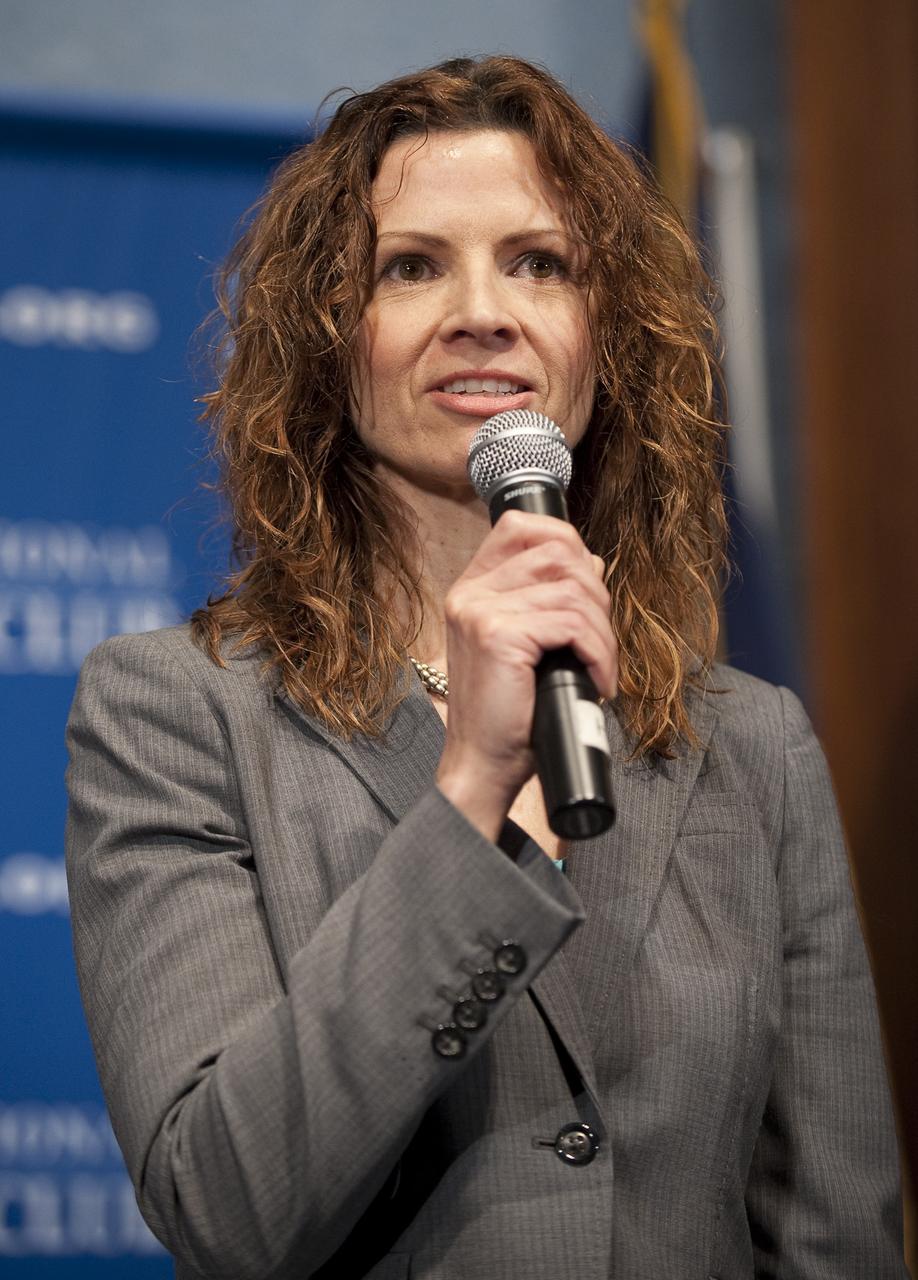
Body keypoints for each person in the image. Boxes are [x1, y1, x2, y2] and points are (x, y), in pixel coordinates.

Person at [65, 55, 908, 1280]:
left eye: (540, 262)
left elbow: (836, 1232)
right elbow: (228, 1206)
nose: (484, 310)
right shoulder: (178, 713)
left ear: (602, 332)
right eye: (412, 266)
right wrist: (469, 790)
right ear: (326, 340)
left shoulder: (755, 744)